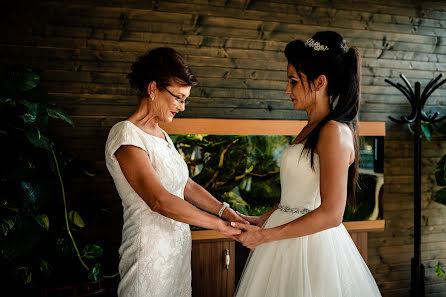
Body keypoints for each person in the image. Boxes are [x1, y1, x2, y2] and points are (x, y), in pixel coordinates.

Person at [232, 32, 382, 297]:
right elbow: (297, 195)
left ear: (319, 82)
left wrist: (265, 236)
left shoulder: (334, 131)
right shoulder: (310, 128)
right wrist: (261, 221)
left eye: (293, 81)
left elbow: (332, 214)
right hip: (283, 242)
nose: (287, 90)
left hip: (311, 249)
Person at [105, 47, 246, 297]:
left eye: (185, 99)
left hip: (177, 251)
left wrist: (225, 211)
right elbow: (159, 200)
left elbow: (186, 186)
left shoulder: (162, 135)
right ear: (152, 89)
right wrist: (219, 226)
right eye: (178, 97)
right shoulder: (126, 135)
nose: (182, 107)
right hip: (149, 253)